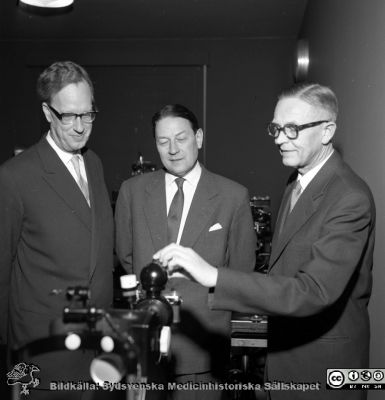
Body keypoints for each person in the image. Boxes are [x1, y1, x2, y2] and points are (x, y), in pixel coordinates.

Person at [153, 84, 376, 400]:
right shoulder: (297, 181)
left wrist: (214, 276)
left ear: (328, 131)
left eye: (293, 129)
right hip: (285, 360)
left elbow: (313, 292)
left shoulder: (349, 197)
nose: (280, 139)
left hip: (324, 372)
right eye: (276, 128)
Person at [114, 104, 256, 399]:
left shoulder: (233, 196)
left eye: (181, 138)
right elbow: (126, 258)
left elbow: (241, 272)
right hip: (145, 345)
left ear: (199, 138)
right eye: (163, 141)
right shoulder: (132, 192)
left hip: (202, 351)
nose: (173, 149)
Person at [0, 61, 114, 399]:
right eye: (69, 116)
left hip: (97, 351)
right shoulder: (14, 177)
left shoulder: (94, 163)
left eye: (88, 114)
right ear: (47, 113)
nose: (80, 127)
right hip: (43, 356)